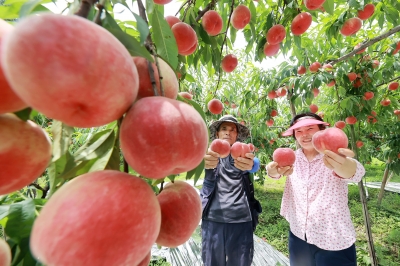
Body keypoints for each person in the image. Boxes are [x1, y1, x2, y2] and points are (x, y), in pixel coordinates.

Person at [266, 112, 365, 266]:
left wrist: (344, 165)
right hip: (299, 234)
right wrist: (272, 170)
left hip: (333, 238)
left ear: (320, 130)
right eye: (298, 131)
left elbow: (355, 172)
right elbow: (274, 173)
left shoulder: (332, 156)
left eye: (310, 128)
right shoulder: (292, 158)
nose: (304, 135)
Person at [200, 115, 261, 266]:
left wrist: (252, 164)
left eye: (232, 130)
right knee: (212, 262)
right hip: (213, 218)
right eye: (224, 129)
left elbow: (254, 163)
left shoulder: (242, 153)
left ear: (237, 136)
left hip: (241, 218)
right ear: (217, 134)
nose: (228, 132)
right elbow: (199, 159)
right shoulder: (210, 153)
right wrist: (203, 160)